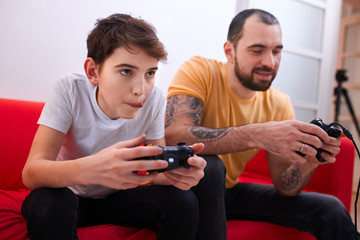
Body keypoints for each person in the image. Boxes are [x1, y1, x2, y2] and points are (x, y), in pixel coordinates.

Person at [165, 8, 359, 240]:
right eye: (257, 50)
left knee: (330, 208)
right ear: (230, 51)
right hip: (185, 190)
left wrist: (309, 159)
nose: (270, 62)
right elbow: (175, 136)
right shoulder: (199, 70)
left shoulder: (279, 103)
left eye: (277, 52)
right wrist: (257, 134)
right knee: (210, 165)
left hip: (229, 193)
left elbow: (285, 187)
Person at [21, 13, 212, 240]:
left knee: (183, 201)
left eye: (150, 73)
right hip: (68, 194)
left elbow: (156, 169)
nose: (141, 89)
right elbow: (31, 173)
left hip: (117, 198)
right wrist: (93, 168)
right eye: (126, 72)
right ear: (93, 72)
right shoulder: (69, 89)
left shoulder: (154, 99)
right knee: (49, 203)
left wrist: (177, 175)